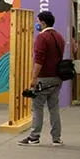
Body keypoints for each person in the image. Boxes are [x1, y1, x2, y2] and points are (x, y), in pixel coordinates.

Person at [18, 11, 66, 146]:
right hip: (57, 78)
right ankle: (56, 138)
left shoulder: (42, 38)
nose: (36, 24)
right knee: (54, 108)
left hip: (43, 78)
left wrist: (33, 78)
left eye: (37, 21)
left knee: (37, 107)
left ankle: (34, 137)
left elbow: (39, 61)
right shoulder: (59, 37)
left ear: (43, 23)